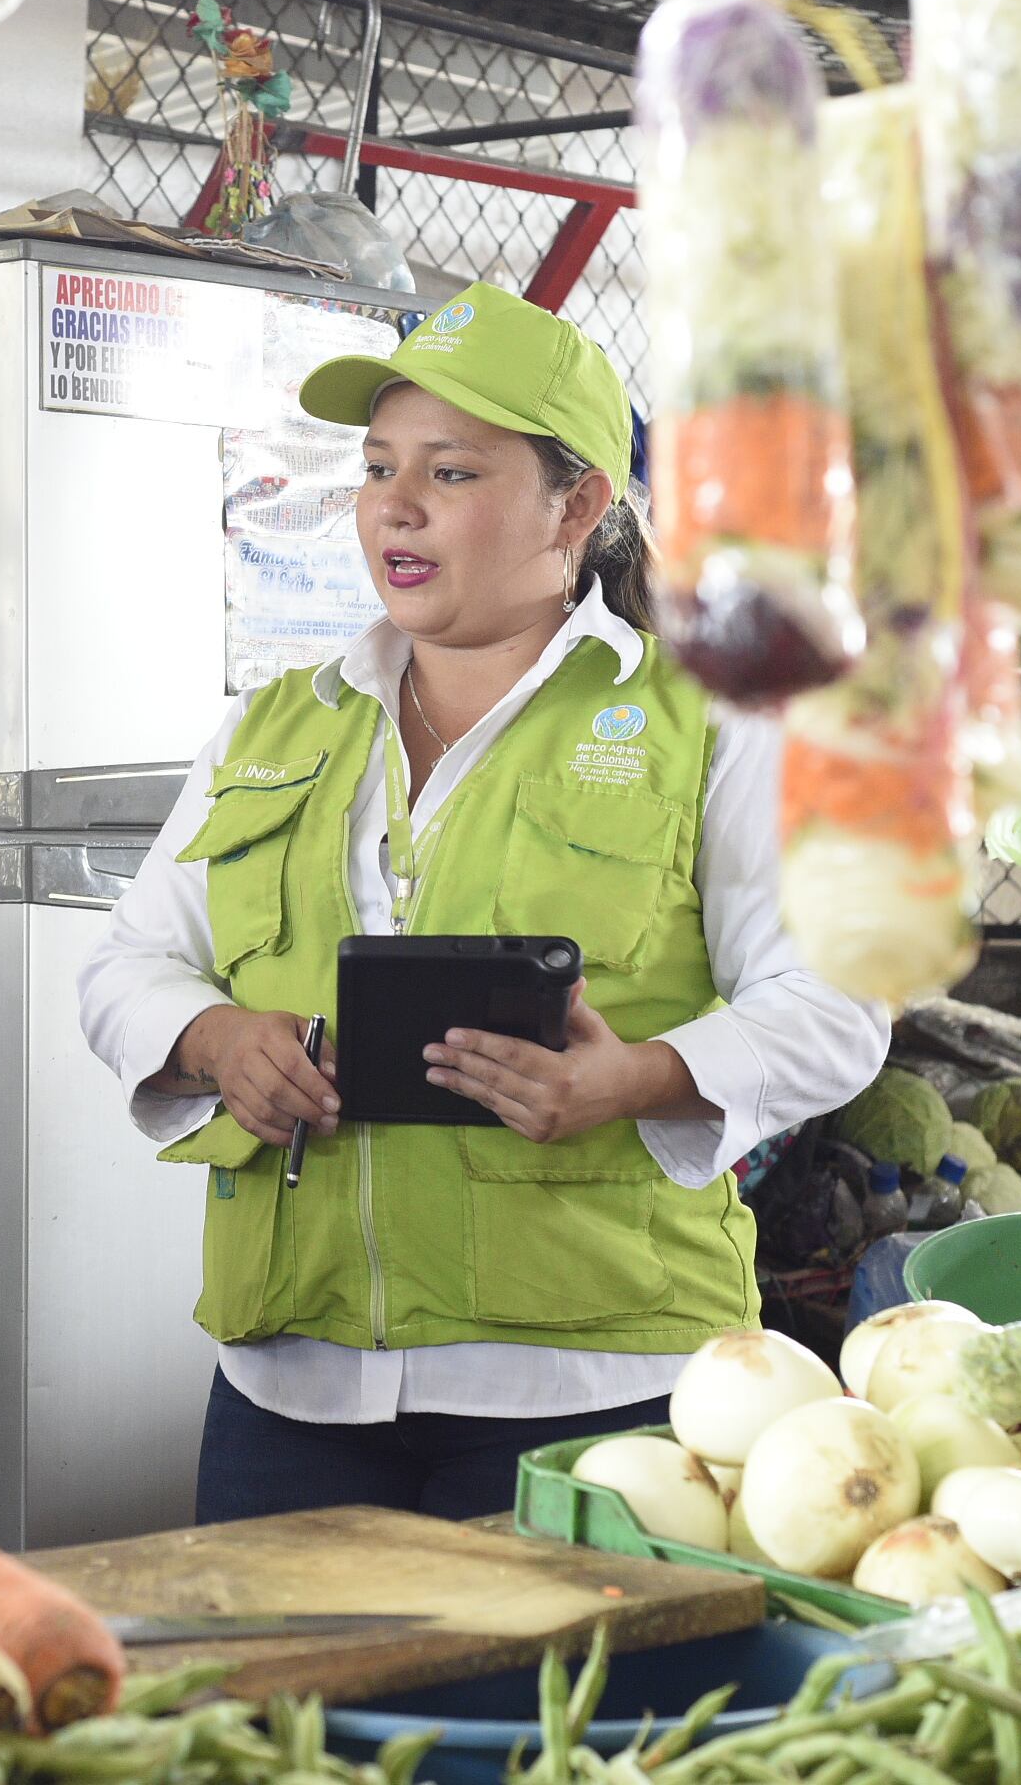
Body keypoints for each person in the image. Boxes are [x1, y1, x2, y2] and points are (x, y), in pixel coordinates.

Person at [77, 284, 888, 1522]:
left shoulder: (714, 722)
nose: (392, 506)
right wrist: (215, 1041)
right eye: (375, 466)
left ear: (575, 503)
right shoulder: (272, 721)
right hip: (290, 1384)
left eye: (449, 472)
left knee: (552, 1723)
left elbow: (834, 1003)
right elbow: (129, 965)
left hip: (594, 1390)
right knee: (277, 1718)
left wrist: (641, 1076)